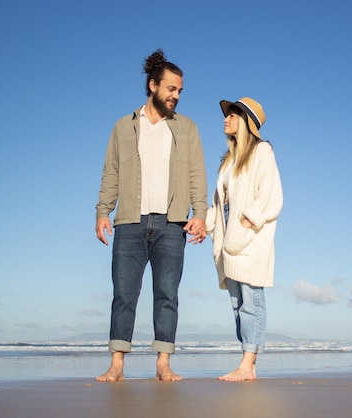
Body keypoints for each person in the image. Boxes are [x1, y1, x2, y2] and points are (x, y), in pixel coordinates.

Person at [94, 49, 207, 382]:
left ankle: (163, 363)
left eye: (180, 91)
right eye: (171, 89)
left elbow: (197, 175)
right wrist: (103, 211)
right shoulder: (123, 127)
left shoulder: (187, 129)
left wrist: (199, 213)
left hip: (172, 224)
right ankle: (117, 365)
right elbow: (110, 173)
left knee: (167, 295)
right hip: (130, 221)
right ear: (153, 85)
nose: (176, 96)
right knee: (124, 294)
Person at [205, 97, 283, 381]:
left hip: (250, 240)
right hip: (229, 242)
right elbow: (218, 202)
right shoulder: (228, 160)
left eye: (232, 115)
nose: (225, 119)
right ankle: (250, 367)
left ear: (247, 121)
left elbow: (272, 196)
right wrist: (206, 225)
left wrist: (248, 222)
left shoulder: (262, 151)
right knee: (237, 303)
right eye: (226, 115)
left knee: (251, 300)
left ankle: (246, 362)